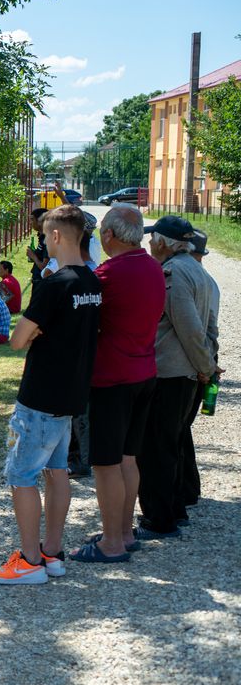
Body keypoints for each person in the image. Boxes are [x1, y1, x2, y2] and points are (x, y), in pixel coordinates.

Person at [0, 204, 102, 585]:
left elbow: (18, 339)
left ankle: (30, 560)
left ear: (55, 236)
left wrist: (37, 331)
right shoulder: (91, 281)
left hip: (40, 394)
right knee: (56, 471)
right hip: (70, 394)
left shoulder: (54, 284)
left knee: (22, 475)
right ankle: (52, 551)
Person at [72, 204, 164, 561]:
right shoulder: (154, 268)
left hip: (113, 377)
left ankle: (111, 542)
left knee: (106, 463)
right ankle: (123, 532)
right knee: (128, 458)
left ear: (108, 235)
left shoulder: (109, 275)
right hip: (145, 372)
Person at [135, 215, 217, 539]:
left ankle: (159, 519)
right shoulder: (196, 269)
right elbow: (206, 326)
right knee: (171, 441)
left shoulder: (173, 272)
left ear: (164, 241)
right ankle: (175, 509)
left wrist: (205, 367)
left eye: (153, 237)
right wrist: (206, 362)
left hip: (171, 371)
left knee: (156, 448)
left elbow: (188, 326)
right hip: (185, 372)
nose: (149, 242)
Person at [180, 228, 220, 513]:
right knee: (182, 430)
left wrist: (206, 366)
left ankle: (185, 490)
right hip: (202, 360)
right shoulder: (208, 280)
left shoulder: (192, 278)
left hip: (193, 362)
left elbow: (199, 330)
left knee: (177, 431)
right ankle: (189, 488)